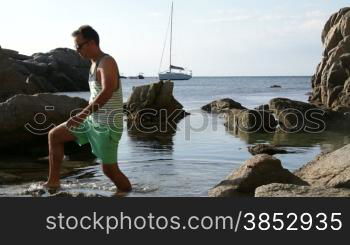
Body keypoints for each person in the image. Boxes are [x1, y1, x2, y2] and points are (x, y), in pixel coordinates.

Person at [44, 25, 132, 192]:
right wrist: (86, 115)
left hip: (107, 125)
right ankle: (53, 183)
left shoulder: (107, 62)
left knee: (109, 171)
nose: (77, 50)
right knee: (55, 135)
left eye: (79, 46)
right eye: (75, 47)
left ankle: (129, 195)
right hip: (92, 121)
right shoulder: (93, 65)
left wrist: (83, 114)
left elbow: (107, 90)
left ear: (91, 43)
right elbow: (96, 95)